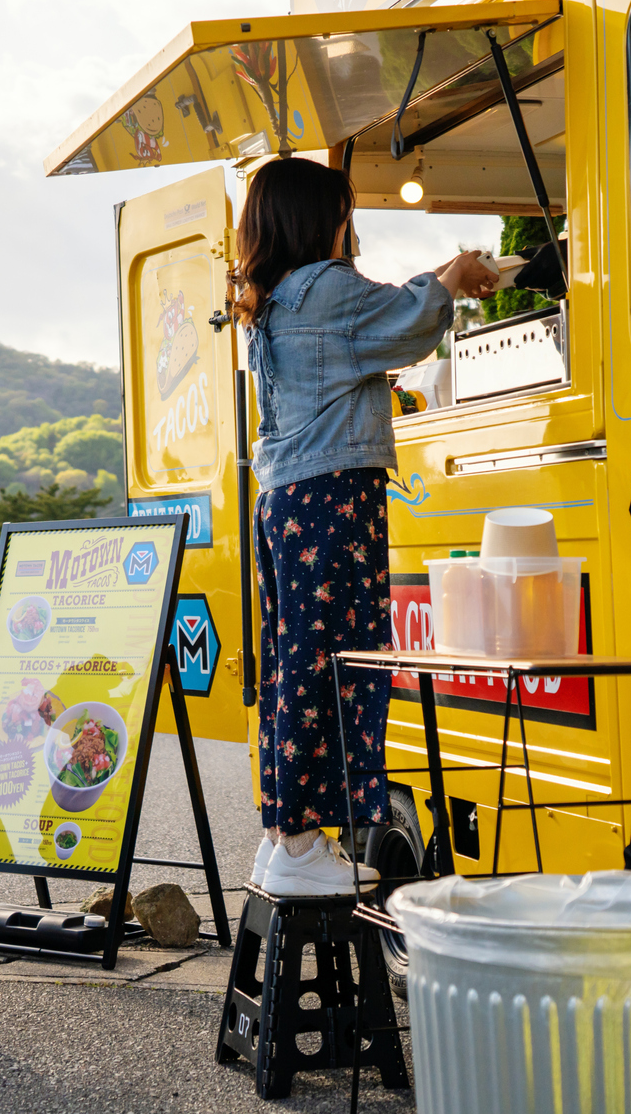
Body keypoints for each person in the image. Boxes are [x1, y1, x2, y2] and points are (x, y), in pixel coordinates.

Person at [231, 158, 497, 896]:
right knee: (335, 665)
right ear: (321, 218)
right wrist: (453, 276)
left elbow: (397, 310)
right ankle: (301, 846)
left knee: (293, 664)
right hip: (331, 498)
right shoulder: (329, 289)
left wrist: (448, 274)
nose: (352, 223)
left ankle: (285, 836)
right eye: (344, 210)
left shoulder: (278, 296)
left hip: (285, 500)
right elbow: (407, 322)